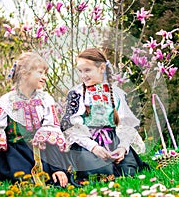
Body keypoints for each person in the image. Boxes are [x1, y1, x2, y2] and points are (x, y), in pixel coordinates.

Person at [0, 51, 68, 187]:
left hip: (41, 154)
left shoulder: (46, 100)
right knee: (20, 177)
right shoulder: (6, 101)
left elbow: (52, 136)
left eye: (45, 74)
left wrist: (58, 169)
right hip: (15, 155)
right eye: (40, 73)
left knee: (52, 179)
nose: (44, 78)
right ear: (25, 74)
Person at [61, 48, 150, 181]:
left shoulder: (117, 93)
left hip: (113, 140)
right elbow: (71, 127)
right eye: (80, 71)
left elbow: (126, 123)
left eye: (87, 70)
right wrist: (94, 147)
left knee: (128, 171)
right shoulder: (77, 93)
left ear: (102, 68)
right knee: (98, 172)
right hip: (87, 142)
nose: (83, 75)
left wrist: (123, 147)